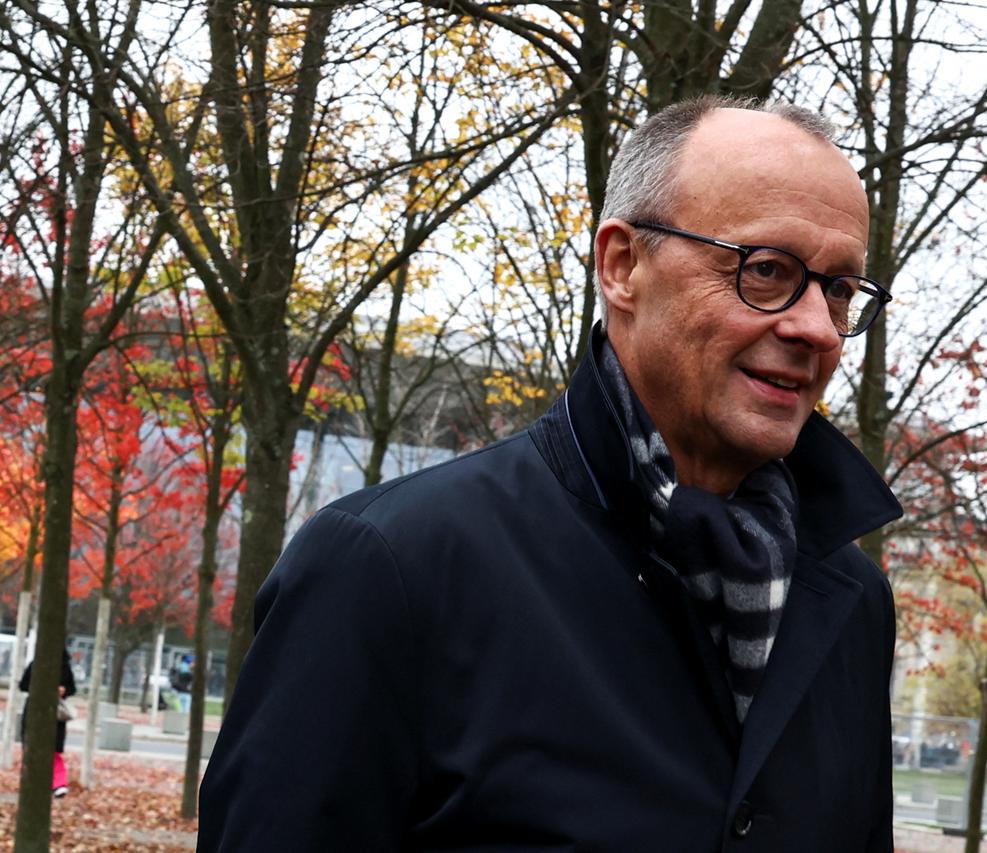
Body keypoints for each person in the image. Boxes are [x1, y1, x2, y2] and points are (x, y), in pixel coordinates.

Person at [199, 95, 902, 851]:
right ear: (623, 265)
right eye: (766, 270)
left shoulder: (852, 603)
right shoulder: (391, 568)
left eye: (837, 290)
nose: (815, 328)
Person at [19, 648, 77, 798]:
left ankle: (58, 784)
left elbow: (72, 688)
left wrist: (64, 690)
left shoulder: (65, 668)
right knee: (32, 748)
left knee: (53, 750)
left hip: (55, 713)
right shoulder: (36, 665)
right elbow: (24, 685)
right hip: (35, 710)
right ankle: (33, 782)